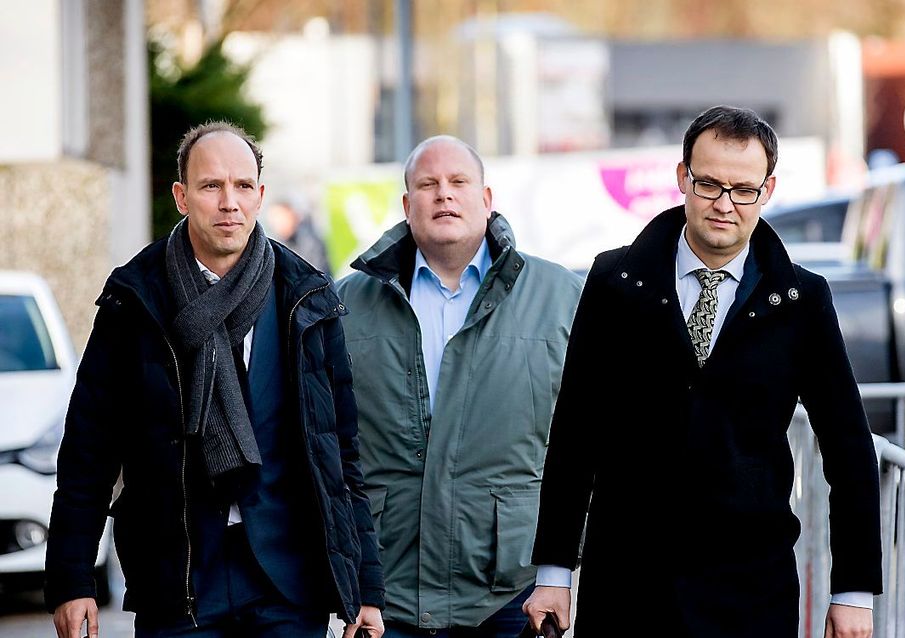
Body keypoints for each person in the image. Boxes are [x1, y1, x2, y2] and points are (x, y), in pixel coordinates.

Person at [523, 106, 882, 637]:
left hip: (749, 590)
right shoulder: (615, 281)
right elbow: (577, 431)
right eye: (709, 184)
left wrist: (853, 591)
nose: (724, 204)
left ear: (768, 190)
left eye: (743, 190)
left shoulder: (801, 300)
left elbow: (849, 448)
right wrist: (555, 571)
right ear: (681, 178)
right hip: (627, 583)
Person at [45, 121, 384, 638]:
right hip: (178, 584)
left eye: (243, 186)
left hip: (288, 584)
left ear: (261, 195)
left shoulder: (307, 298)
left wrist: (363, 586)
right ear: (181, 196)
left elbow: (340, 455)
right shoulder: (134, 301)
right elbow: (87, 452)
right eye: (211, 186)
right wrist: (72, 578)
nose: (230, 202)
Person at [335, 135, 582, 638]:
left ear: (487, 200)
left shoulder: (561, 297)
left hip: (516, 592)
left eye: (458, 182)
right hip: (385, 593)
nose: (444, 194)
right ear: (407, 206)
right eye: (428, 184)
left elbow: (588, 441)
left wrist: (559, 573)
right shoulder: (347, 304)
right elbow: (329, 448)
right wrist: (348, 576)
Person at [265, 197, 334, 275]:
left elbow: (317, 275)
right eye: (274, 221)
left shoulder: (309, 241)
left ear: (292, 215)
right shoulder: (277, 244)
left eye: (281, 219)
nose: (278, 225)